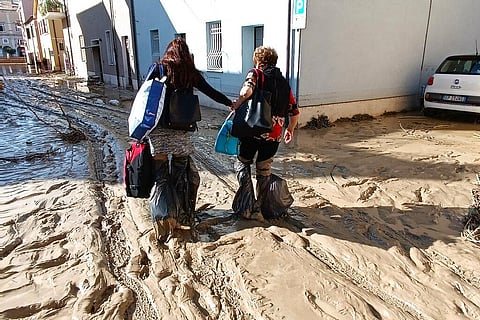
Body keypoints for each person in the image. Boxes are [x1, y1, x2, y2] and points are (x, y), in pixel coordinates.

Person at [148, 38, 233, 242]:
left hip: (158, 130)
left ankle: (163, 218)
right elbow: (211, 92)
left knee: (160, 177)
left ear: (168, 52)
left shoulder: (159, 69)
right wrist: (231, 103)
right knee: (180, 176)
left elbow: (145, 96)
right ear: (187, 55)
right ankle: (180, 215)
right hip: (181, 131)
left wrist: (139, 127)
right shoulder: (191, 75)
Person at [230, 46, 300, 220]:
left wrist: (238, 102)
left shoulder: (256, 73)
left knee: (242, 163)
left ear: (259, 62)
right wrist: (289, 129)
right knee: (264, 170)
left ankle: (246, 206)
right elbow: (295, 112)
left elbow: (246, 91)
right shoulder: (284, 83)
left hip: (253, 130)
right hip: (274, 134)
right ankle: (261, 209)